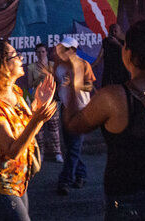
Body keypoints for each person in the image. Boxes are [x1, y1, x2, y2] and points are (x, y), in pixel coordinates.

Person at [62, 13, 145, 220]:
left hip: (130, 202)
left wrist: (72, 83)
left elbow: (73, 125)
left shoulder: (114, 97)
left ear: (128, 53)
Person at [0, 40, 57, 220]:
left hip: (18, 179)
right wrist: (37, 119)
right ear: (2, 65)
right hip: (0, 184)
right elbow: (12, 150)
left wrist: (39, 106)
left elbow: (28, 131)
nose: (21, 58)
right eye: (15, 55)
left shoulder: (16, 93)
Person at [54, 37, 94, 195]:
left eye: (67, 48)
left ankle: (65, 180)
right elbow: (58, 87)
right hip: (65, 109)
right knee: (71, 147)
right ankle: (81, 174)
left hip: (81, 109)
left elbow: (90, 86)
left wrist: (76, 84)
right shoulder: (58, 67)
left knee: (74, 147)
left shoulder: (83, 65)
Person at [26, 43, 63, 163]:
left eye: (43, 51)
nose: (41, 54)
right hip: (37, 101)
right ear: (35, 54)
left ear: (46, 53)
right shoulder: (31, 67)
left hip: (51, 100)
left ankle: (57, 153)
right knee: (39, 131)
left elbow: (58, 81)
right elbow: (30, 84)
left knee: (54, 129)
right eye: (38, 52)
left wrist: (47, 74)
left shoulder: (52, 65)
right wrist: (40, 77)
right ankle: (40, 153)